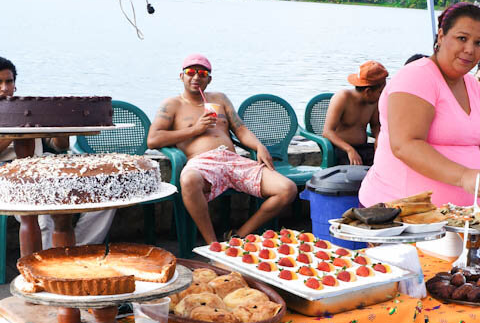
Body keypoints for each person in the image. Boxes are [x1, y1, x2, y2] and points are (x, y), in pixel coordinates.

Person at [358, 3, 480, 208]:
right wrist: (464, 176)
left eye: (479, 43)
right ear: (441, 36)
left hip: (460, 218)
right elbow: (405, 145)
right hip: (401, 216)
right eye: (462, 38)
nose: (470, 50)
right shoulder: (417, 76)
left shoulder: (473, 86)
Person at [147, 54, 297, 244]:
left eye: (202, 73)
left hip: (233, 161)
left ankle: (238, 236)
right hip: (203, 162)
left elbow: (240, 129)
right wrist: (196, 129)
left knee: (287, 189)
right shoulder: (172, 105)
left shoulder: (220, 99)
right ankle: (213, 245)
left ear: (209, 79)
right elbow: (153, 140)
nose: (196, 77)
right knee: (188, 179)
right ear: (181, 76)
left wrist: (259, 146)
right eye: (190, 72)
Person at [0, 56, 115, 253]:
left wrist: (62, 127)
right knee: (42, 214)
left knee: (106, 192)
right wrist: (17, 126)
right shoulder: (22, 115)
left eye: (8, 81)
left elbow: (58, 146)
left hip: (42, 169)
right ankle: (45, 263)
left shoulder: (29, 109)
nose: (4, 88)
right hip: (8, 175)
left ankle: (74, 251)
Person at [322, 61, 387, 166]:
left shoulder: (373, 102)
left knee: (387, 163)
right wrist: (350, 150)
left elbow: (375, 126)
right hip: (341, 149)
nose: (382, 96)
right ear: (368, 92)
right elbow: (327, 132)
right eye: (380, 92)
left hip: (363, 148)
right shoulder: (343, 97)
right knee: (355, 172)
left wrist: (378, 139)